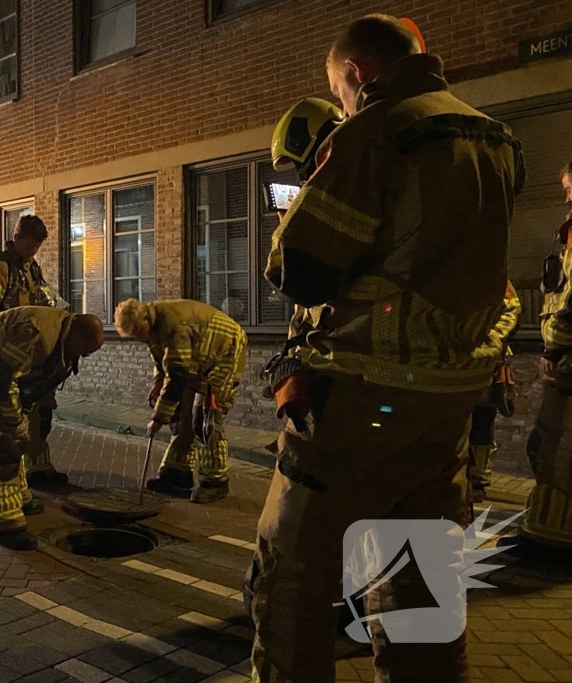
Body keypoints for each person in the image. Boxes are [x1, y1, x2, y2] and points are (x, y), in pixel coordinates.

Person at [251, 14, 524, 683]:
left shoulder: (374, 132)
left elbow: (300, 269)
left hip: (356, 406)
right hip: (446, 411)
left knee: (290, 588)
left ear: (356, 73)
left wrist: (302, 200)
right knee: (419, 593)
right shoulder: (498, 137)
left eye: (341, 91)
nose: (344, 105)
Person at [0, 306, 104, 550]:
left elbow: (32, 383)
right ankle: (6, 523)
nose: (83, 357)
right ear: (77, 338)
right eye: (85, 352)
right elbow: (1, 381)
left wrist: (23, 419)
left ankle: (20, 496)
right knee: (2, 444)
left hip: (3, 374)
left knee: (19, 436)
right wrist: (15, 422)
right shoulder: (38, 336)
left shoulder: (62, 337)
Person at [499, 162, 572, 562]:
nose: (565, 198)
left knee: (555, 451)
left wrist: (555, 351)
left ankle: (552, 542)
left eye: (568, 190)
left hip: (566, 364)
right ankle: (543, 530)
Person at [114, 298, 247, 504]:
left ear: (145, 318)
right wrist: (159, 382)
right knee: (179, 415)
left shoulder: (174, 326)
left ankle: (215, 482)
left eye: (140, 332)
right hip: (197, 357)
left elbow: (177, 377)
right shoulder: (151, 327)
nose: (140, 338)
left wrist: (158, 418)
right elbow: (163, 361)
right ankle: (177, 472)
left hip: (223, 354)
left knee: (205, 420)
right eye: (135, 335)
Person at [0, 215, 68, 489]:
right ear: (17, 237)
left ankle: (39, 467)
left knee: (41, 410)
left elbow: (43, 299)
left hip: (30, 354)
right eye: (30, 245)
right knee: (12, 419)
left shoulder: (31, 268)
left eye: (37, 246)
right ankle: (14, 479)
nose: (33, 251)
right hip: (8, 356)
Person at [469, 283, 521, 504]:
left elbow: (512, 309)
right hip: (447, 364)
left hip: (484, 364)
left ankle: (476, 481)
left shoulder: (490, 270)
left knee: (481, 424)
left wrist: (490, 342)